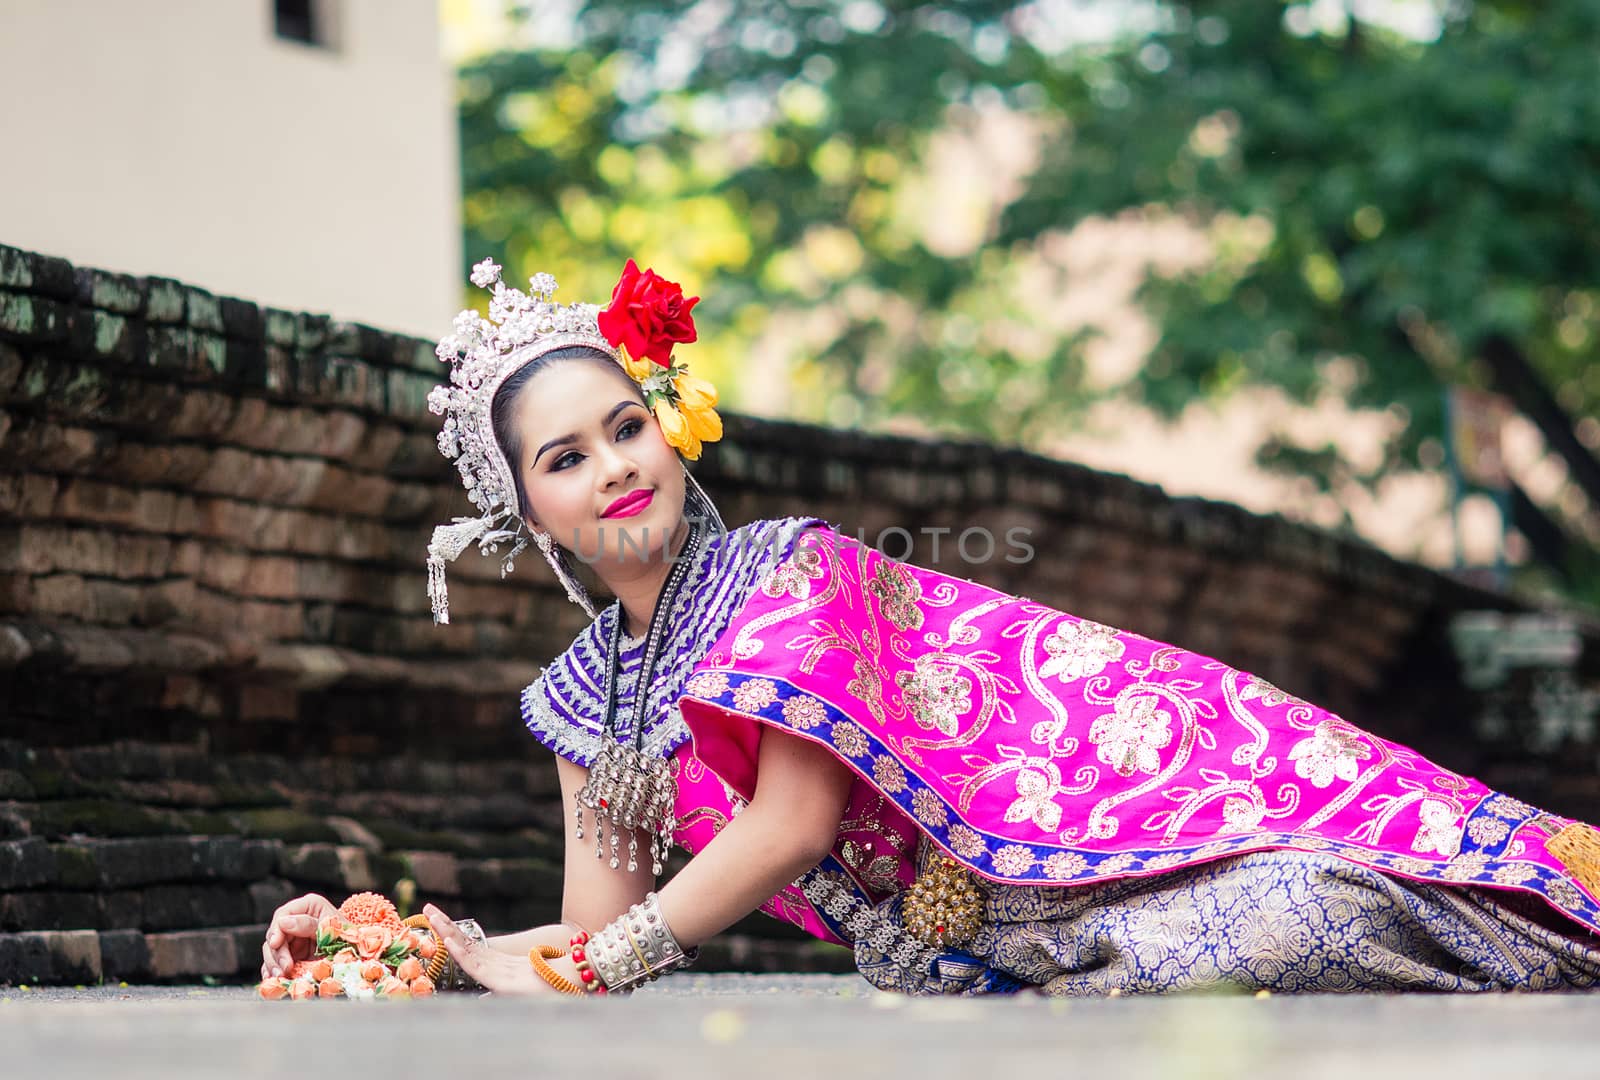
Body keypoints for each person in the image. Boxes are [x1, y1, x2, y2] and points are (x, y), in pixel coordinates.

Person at [260, 258, 1600, 997]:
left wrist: (590, 967)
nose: (613, 467)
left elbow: (782, 831)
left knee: (1302, 909)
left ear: (664, 429)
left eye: (626, 427)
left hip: (1107, 871)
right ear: (532, 516)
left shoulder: (794, 572)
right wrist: (410, 952)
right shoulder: (582, 707)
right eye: (566, 459)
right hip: (989, 959)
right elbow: (591, 927)